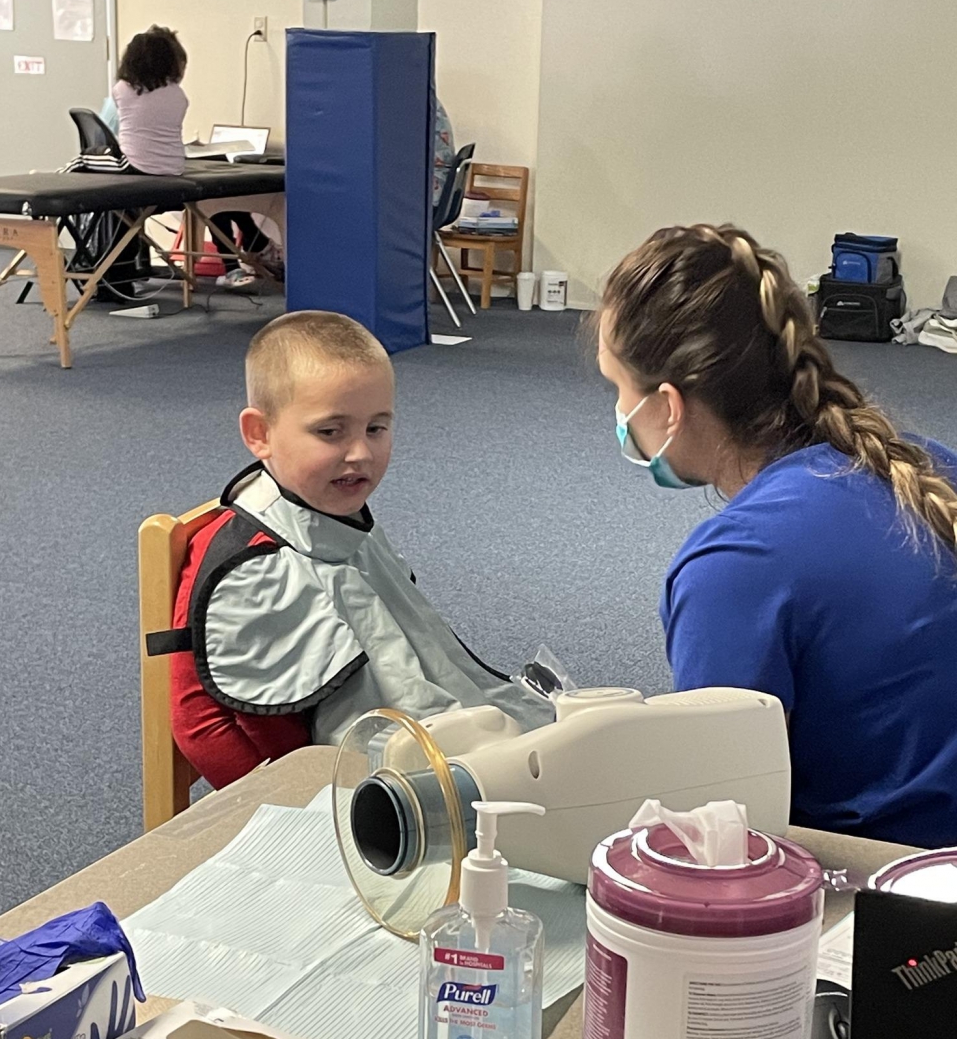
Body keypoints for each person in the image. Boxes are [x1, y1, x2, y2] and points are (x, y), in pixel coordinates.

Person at [598, 222, 957, 847]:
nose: (619, 413)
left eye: (618, 389)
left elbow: (721, 825)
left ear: (669, 407)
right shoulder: (928, 466)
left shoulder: (732, 567)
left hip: (885, 890)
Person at [165, 310, 551, 790]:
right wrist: (291, 802)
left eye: (376, 428)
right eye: (330, 432)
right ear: (260, 435)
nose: (361, 453)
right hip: (343, 786)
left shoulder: (340, 517)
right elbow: (198, 721)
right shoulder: (249, 567)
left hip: (422, 733)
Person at [68, 26, 188, 176]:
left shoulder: (122, 89)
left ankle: (52, 182)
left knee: (82, 160)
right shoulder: (179, 95)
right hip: (174, 168)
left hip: (134, 165)